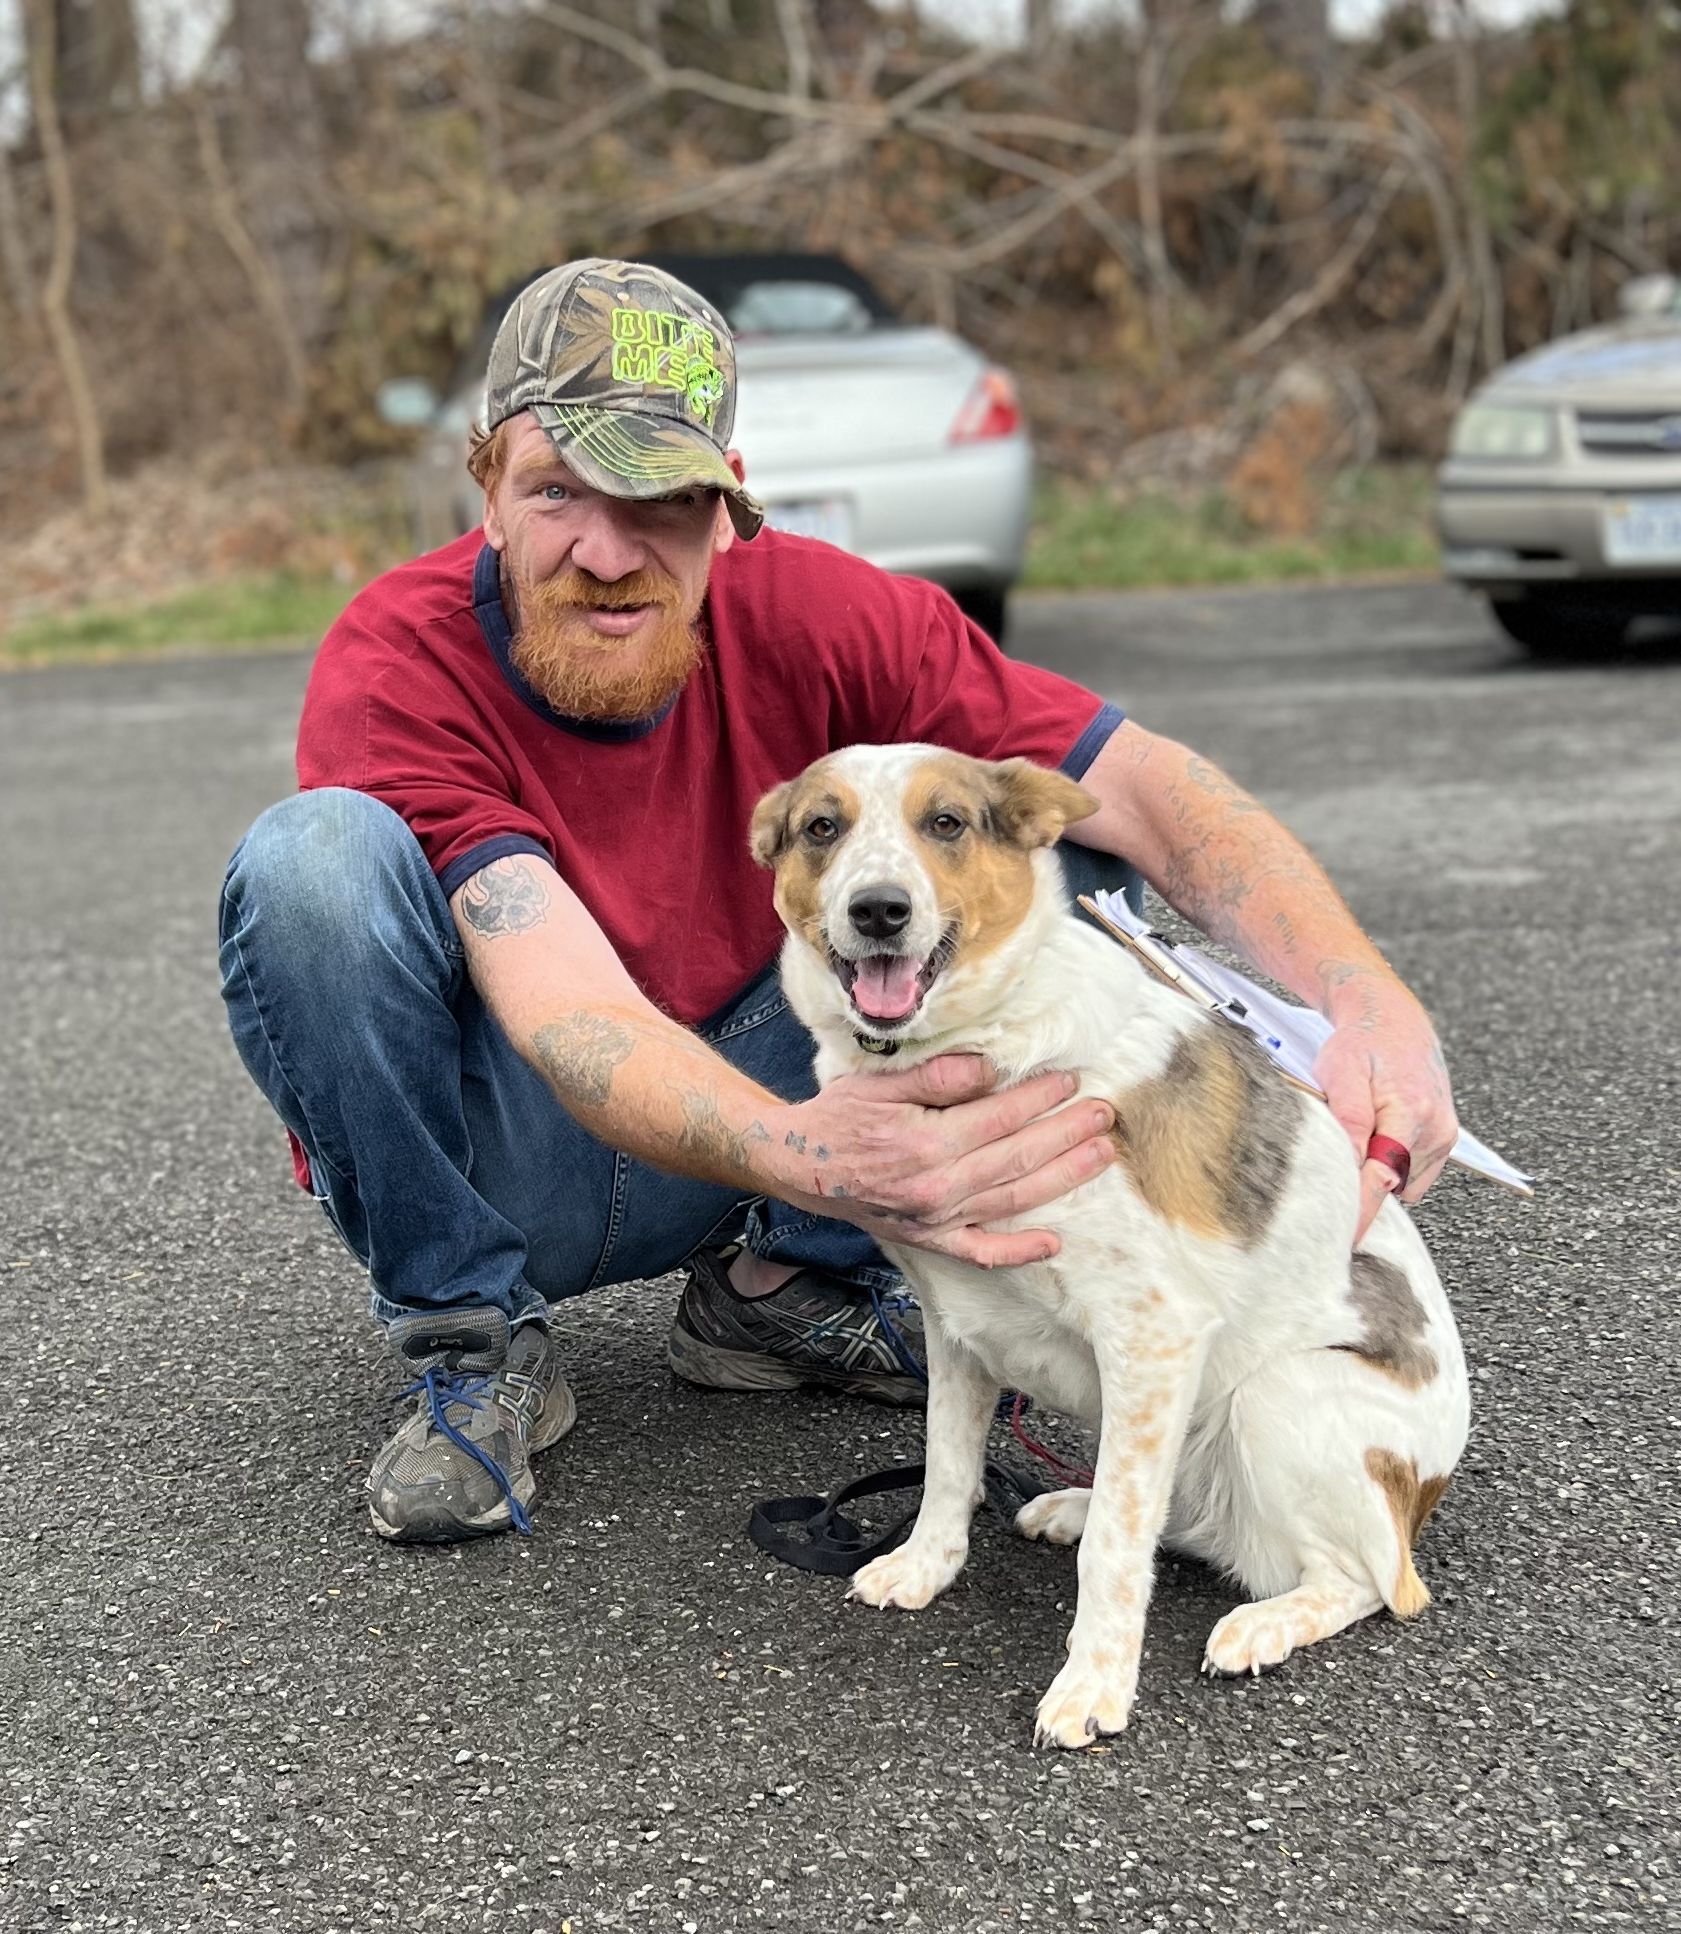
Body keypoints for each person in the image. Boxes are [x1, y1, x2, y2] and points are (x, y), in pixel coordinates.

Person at [218, 258, 1458, 1545]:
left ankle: (787, 1281)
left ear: (724, 503)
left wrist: (1366, 1005)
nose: (603, 550)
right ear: (486, 489)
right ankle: (474, 1342)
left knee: (1038, 850)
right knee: (311, 863)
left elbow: (1139, 783)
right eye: (556, 492)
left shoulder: (816, 608)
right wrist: (802, 1146)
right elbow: (564, 1007)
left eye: (657, 502)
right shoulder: (399, 655)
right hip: (524, 1151)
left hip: (760, 1097)